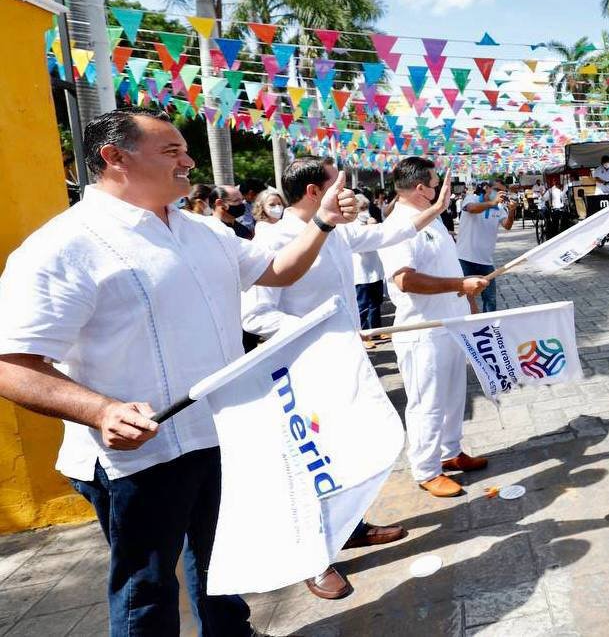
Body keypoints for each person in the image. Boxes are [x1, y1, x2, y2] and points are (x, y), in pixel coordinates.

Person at [0, 108, 358, 636]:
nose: (190, 161)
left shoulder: (204, 231)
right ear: (114, 158)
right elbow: (13, 363)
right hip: (139, 455)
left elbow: (277, 268)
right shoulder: (64, 247)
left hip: (215, 433)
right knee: (145, 591)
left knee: (220, 561)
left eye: (186, 150)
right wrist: (101, 410)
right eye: (172, 151)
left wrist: (324, 221)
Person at [242, 155, 451, 600]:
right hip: (300, 367)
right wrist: (320, 334)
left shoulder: (334, 231)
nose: (352, 194)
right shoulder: (271, 239)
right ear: (315, 192)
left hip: (342, 360)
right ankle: (314, 560)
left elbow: (383, 233)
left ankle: (351, 527)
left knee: (345, 454)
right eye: (341, 185)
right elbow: (256, 314)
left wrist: (434, 209)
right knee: (309, 464)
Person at [380, 157, 490, 499]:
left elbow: (447, 264)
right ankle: (427, 469)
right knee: (427, 401)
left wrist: (466, 299)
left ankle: (451, 451)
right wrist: (460, 282)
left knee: (454, 394)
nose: (441, 190)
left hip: (450, 321)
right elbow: (405, 280)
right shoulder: (398, 225)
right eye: (435, 183)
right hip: (422, 329)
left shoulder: (432, 218)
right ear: (420, 188)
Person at [457, 178, 516, 313]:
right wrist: (492, 203)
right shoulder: (471, 198)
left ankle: (489, 327)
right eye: (496, 190)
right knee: (464, 297)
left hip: (486, 261)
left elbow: (507, 225)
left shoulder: (499, 208)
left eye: (503, 192)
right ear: (487, 188)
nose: (499, 194)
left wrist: (512, 211)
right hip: (464, 258)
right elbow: (471, 209)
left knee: (490, 299)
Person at [354, 193, 386, 336]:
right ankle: (364, 334)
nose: (365, 211)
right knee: (362, 304)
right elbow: (361, 245)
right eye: (361, 208)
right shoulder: (351, 225)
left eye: (366, 207)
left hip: (375, 269)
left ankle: (376, 330)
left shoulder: (371, 221)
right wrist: (370, 228)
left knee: (376, 302)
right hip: (360, 272)